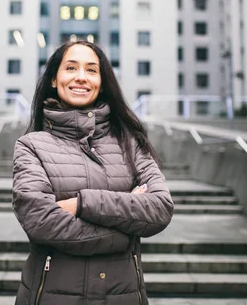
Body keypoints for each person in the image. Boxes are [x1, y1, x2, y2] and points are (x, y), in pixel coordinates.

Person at [12, 41, 174, 305]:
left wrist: (81, 204)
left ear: (102, 81)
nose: (80, 77)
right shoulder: (31, 146)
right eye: (71, 68)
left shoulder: (130, 143)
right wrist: (124, 233)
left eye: (91, 70)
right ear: (54, 78)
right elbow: (40, 220)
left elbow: (159, 208)